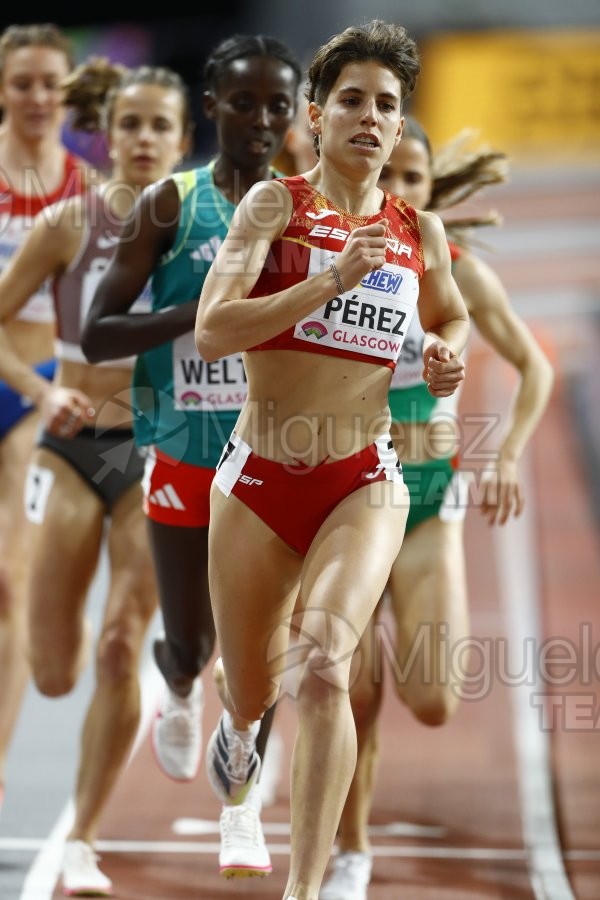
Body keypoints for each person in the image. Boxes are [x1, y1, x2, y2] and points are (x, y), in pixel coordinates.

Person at [194, 20, 470, 900]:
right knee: (251, 692)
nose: (369, 116)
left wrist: (445, 351)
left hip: (363, 481)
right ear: (315, 116)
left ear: (398, 128)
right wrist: (324, 283)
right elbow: (210, 330)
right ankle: (238, 741)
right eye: (351, 99)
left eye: (386, 105)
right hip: (260, 483)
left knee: (323, 666)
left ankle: (306, 889)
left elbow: (453, 314)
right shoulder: (272, 207)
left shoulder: (416, 230)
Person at [81, 33, 303, 878]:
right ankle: (173, 684)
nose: (259, 119)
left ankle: (239, 809)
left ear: (296, 115)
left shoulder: (307, 208)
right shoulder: (170, 206)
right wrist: (208, 318)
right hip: (179, 448)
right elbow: (101, 330)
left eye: (277, 105)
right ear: (210, 108)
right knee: (194, 644)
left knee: (261, 647)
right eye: (241, 102)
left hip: (277, 456)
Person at [319, 117, 555, 899]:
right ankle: (350, 849)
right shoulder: (340, 255)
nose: (406, 191)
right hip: (349, 492)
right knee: (354, 691)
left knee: (432, 699)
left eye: (418, 179)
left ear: (431, 190)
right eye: (397, 178)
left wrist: (510, 452)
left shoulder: (457, 269)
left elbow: (533, 368)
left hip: (426, 502)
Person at [0, 58, 192, 895]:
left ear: (184, 141)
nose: (145, 138)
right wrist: (43, 390)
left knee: (123, 644)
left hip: (156, 449)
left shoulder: (210, 229)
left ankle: (83, 835)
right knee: (52, 670)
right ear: (105, 137)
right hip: (74, 450)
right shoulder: (67, 226)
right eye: (131, 125)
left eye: (161, 126)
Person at [0, 22, 91, 815]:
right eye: (23, 81)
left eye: (49, 84)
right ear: (2, 88)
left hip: (40, 397)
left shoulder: (85, 192)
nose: (37, 97)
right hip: (18, 379)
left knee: (10, 582)